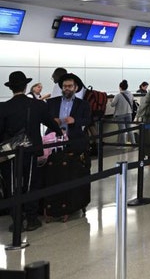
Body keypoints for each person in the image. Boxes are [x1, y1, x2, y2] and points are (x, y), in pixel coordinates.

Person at [0, 71, 63, 232]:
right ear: (26, 86)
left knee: (12, 186)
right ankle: (31, 219)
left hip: (10, 153)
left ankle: (17, 220)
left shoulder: (4, 107)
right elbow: (50, 123)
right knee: (30, 184)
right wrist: (59, 132)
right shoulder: (38, 105)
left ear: (10, 88)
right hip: (31, 150)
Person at [47, 73, 92, 155]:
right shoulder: (51, 102)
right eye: (64, 86)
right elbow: (44, 119)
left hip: (74, 141)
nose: (67, 88)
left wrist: (75, 120)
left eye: (70, 86)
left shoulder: (83, 104)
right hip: (53, 141)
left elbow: (88, 120)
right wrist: (52, 121)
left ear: (75, 88)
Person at [110, 80, 135, 145]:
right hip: (129, 113)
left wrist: (111, 101)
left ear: (120, 87)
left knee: (122, 130)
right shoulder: (130, 94)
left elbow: (112, 104)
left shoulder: (118, 95)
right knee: (129, 129)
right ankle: (133, 143)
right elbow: (132, 103)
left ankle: (122, 144)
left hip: (120, 114)